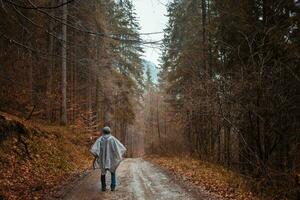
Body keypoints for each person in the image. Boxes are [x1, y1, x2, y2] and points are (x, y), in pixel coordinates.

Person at [90, 126, 126, 192]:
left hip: (102, 159)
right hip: (111, 159)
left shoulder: (100, 139)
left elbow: (94, 150)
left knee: (103, 173)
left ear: (103, 132)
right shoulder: (113, 139)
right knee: (113, 172)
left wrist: (97, 155)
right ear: (109, 131)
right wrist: (117, 155)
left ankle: (103, 187)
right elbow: (121, 148)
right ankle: (113, 187)